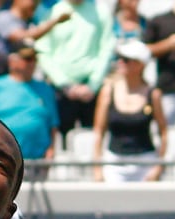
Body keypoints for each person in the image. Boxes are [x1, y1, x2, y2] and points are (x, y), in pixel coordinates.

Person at [33, 0, 117, 135]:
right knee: (61, 139)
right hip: (60, 91)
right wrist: (65, 85)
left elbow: (107, 48)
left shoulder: (101, 12)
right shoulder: (52, 13)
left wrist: (93, 85)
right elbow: (43, 52)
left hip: (92, 90)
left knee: (94, 138)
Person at [90, 39, 168, 182]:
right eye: (119, 59)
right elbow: (99, 131)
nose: (120, 63)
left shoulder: (153, 94)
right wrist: (97, 168)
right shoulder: (108, 91)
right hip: (114, 164)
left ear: (140, 64)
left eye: (126, 60)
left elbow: (163, 132)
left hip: (146, 163)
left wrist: (158, 167)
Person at [0, 45, 61, 162]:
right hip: (2, 158)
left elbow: (53, 124)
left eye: (34, 59)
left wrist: (51, 148)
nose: (32, 63)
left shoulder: (45, 88)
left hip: (39, 159)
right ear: (12, 61)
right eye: (27, 59)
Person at [0, 0, 71, 57]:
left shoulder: (32, 21)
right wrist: (55, 21)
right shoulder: (4, 17)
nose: (35, 4)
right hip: (2, 73)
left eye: (37, 1)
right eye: (33, 0)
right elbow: (24, 37)